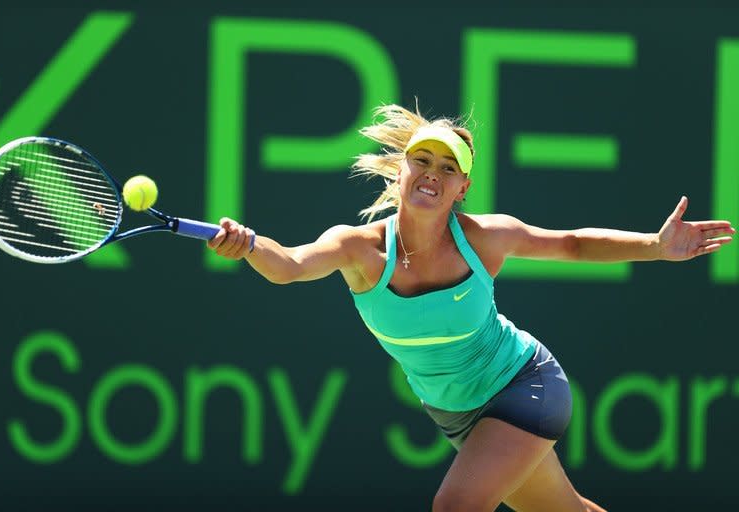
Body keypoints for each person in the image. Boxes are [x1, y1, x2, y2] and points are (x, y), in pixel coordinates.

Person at [206, 104, 735, 512]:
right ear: (400, 172)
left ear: (462, 187)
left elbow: (571, 243)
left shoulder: (485, 239)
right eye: (421, 160)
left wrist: (655, 246)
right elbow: (292, 264)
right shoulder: (359, 247)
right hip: (458, 416)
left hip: (525, 384)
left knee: (454, 506)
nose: (432, 173)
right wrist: (249, 245)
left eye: (447, 166)